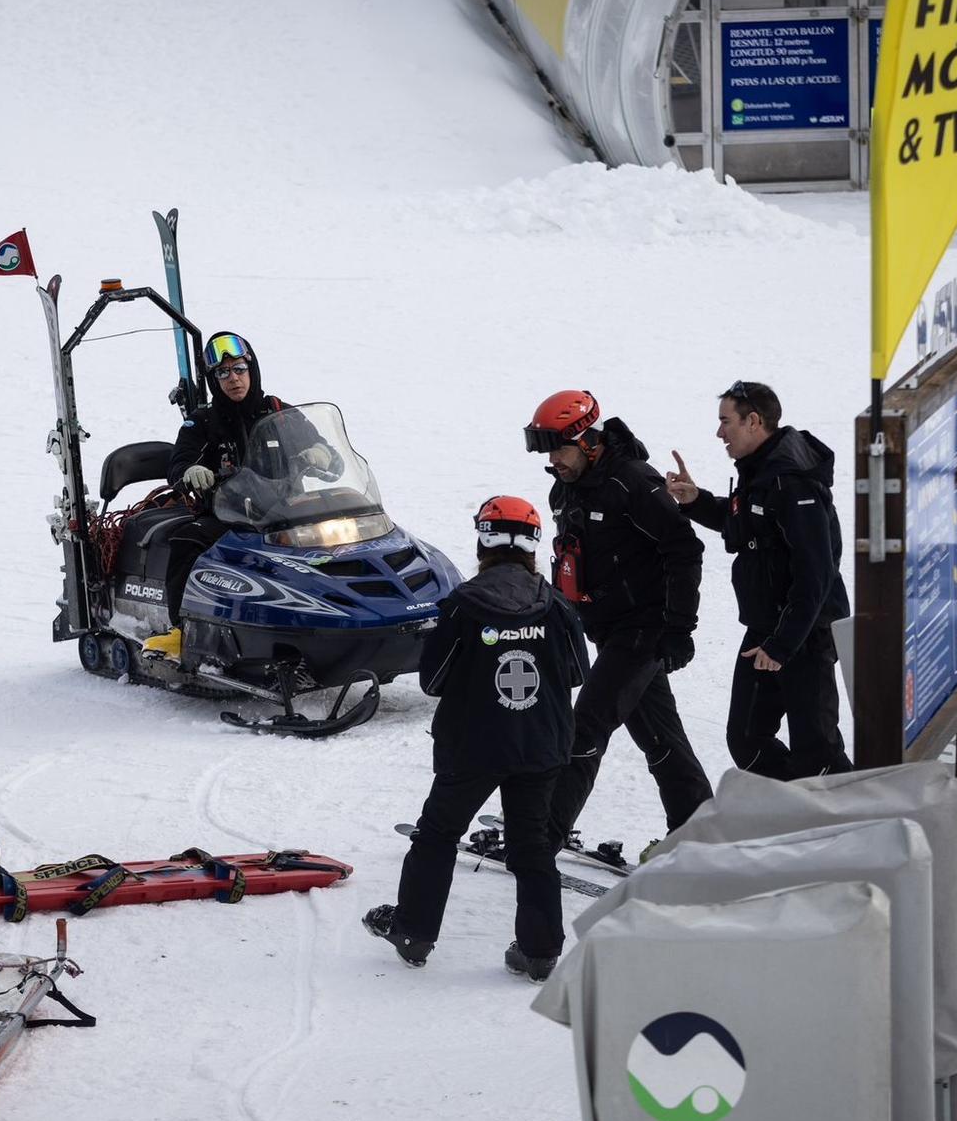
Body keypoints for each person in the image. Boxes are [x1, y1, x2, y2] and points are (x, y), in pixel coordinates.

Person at [365, 496, 589, 982]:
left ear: (483, 540)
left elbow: (432, 681)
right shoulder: (556, 606)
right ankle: (540, 951)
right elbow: (576, 672)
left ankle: (413, 932)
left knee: (439, 834)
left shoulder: (462, 607)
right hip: (541, 745)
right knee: (532, 847)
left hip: (473, 747)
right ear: (532, 545)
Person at [524, 390, 712, 860]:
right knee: (660, 737)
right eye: (546, 450)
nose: (553, 460)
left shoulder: (634, 483)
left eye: (559, 449)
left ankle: (541, 835)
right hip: (607, 629)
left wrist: (678, 628)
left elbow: (685, 551)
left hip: (644, 629)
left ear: (589, 441)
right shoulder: (566, 488)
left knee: (585, 725)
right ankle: (701, 830)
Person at [665, 381, 853, 778]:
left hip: (803, 635)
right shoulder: (761, 472)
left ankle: (856, 823)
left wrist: (782, 646)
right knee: (747, 740)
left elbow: (816, 572)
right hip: (765, 631)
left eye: (725, 422)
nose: (720, 433)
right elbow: (744, 525)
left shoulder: (792, 481)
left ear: (754, 421)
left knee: (817, 753)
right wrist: (695, 500)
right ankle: (796, 810)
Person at [144, 331, 327, 657]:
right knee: (187, 541)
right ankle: (181, 630)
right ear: (214, 380)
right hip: (227, 517)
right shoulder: (202, 422)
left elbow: (329, 452)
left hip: (285, 513)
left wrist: (320, 454)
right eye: (223, 373)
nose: (233, 379)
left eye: (239, 369)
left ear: (251, 369)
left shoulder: (279, 412)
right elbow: (179, 465)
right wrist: (190, 472)